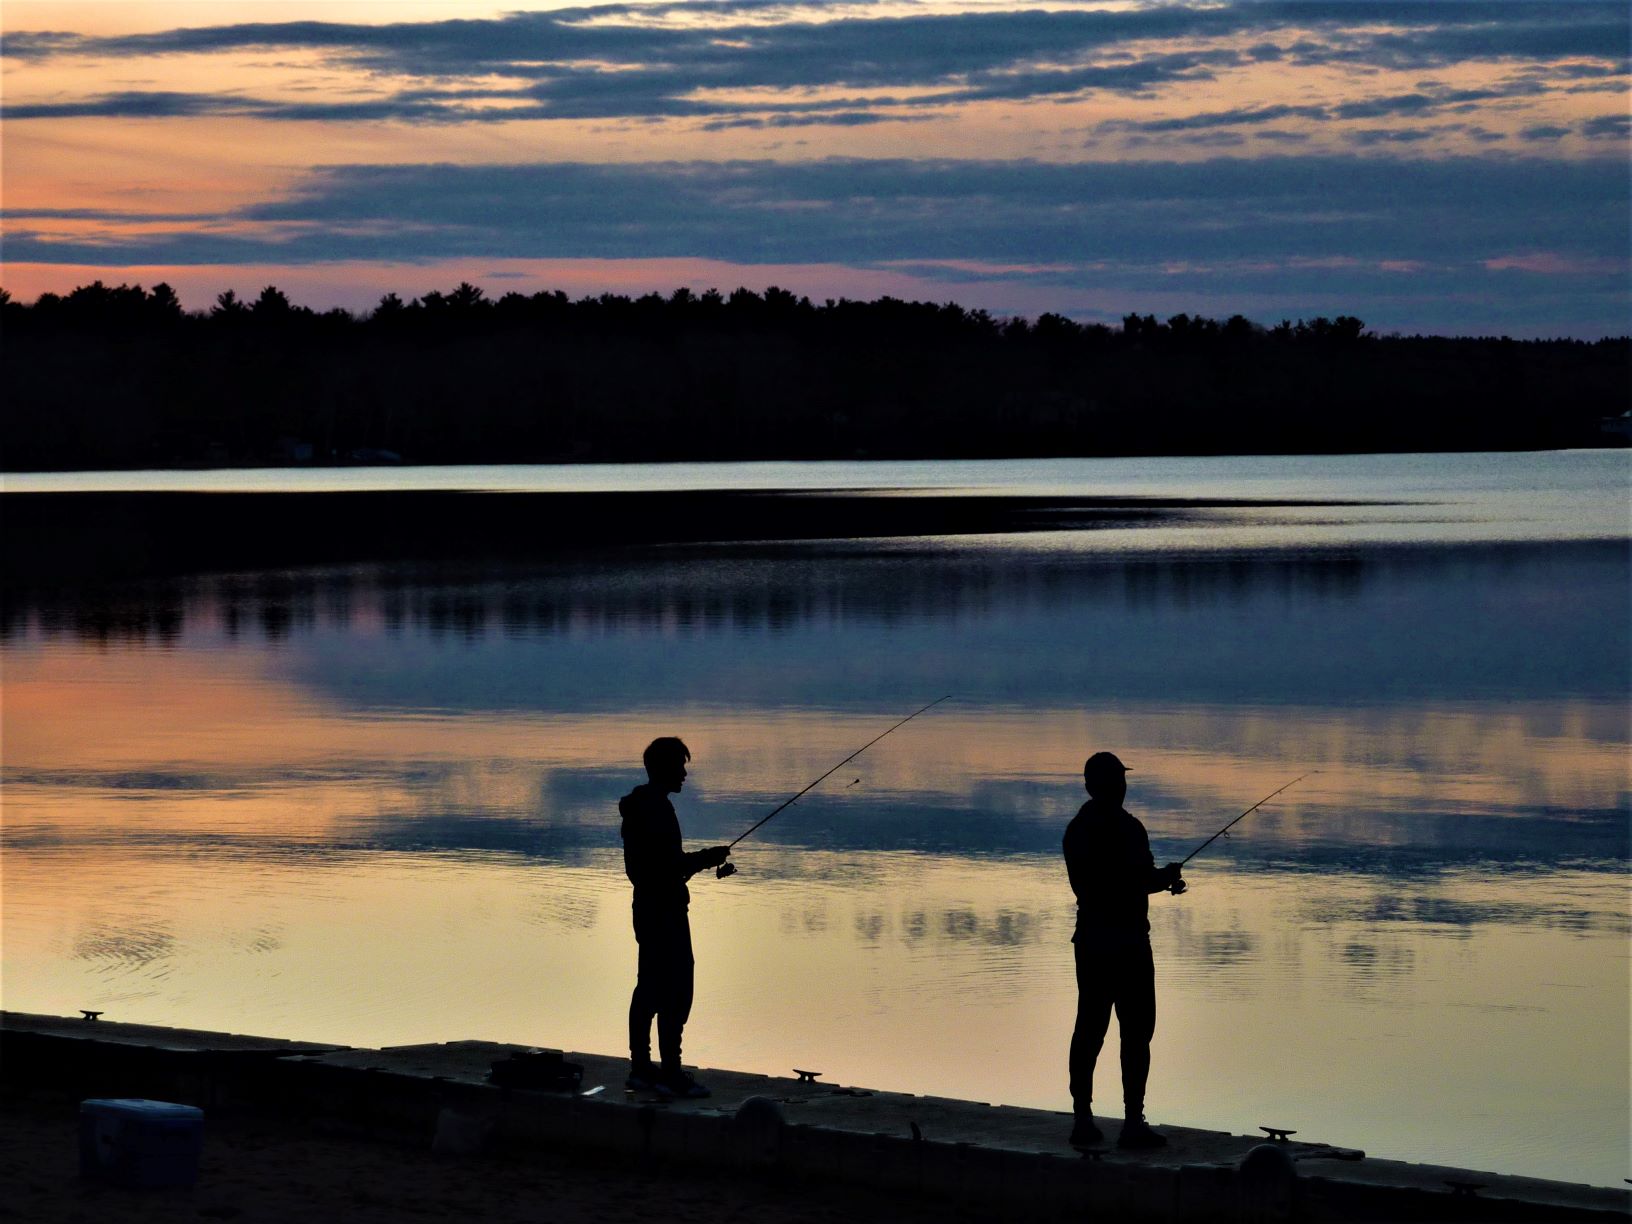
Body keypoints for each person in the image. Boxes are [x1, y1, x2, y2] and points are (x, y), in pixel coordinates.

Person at [1063, 751, 1185, 1149]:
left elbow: (1101, 885)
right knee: (1133, 1034)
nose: (1123, 786)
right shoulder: (1130, 829)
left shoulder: (1076, 830)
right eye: (1119, 780)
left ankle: (1084, 1119)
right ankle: (1132, 1123)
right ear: (1110, 785)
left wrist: (1158, 879)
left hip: (1093, 940)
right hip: (1128, 942)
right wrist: (1165, 878)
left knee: (1091, 1030)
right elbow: (1136, 881)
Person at [620, 736, 732, 1098]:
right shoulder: (654, 809)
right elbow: (665, 866)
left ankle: (644, 1068)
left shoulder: (646, 806)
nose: (684, 773)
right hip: (662, 911)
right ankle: (668, 1072)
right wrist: (705, 858)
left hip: (652, 908)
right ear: (664, 768)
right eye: (680, 766)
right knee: (674, 988)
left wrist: (697, 861)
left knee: (651, 987)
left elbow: (657, 865)